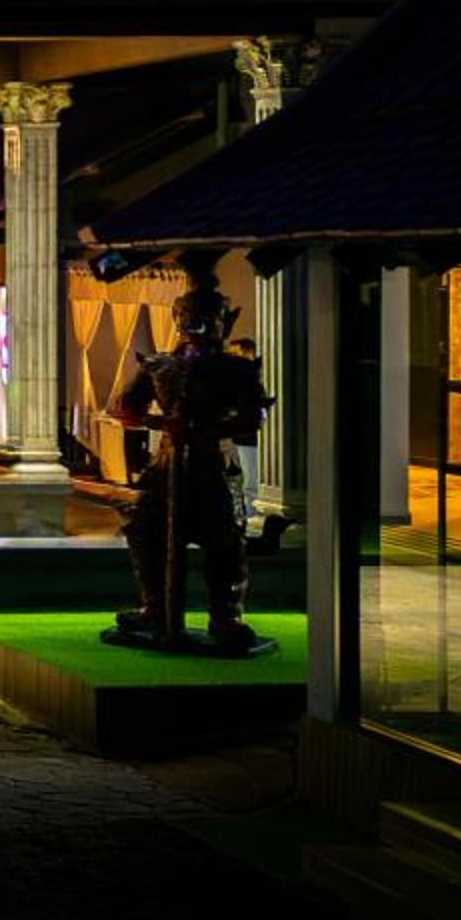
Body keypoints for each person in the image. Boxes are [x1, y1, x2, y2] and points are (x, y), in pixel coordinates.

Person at [109, 258, 271, 652]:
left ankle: (226, 615)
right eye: (190, 317)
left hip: (210, 462)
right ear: (177, 317)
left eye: (207, 318)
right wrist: (162, 423)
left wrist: (207, 430)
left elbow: (255, 415)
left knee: (224, 541)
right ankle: (155, 608)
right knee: (146, 531)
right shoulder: (159, 366)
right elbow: (125, 408)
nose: (197, 326)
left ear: (224, 321)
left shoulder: (235, 370)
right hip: (166, 466)